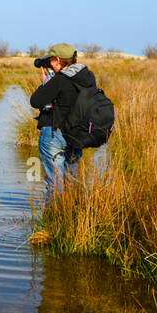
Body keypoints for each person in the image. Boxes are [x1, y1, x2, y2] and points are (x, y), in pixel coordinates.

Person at [29, 42, 96, 200]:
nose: (50, 65)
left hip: (55, 134)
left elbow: (36, 101)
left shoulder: (59, 80)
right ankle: (71, 215)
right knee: (71, 179)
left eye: (51, 61)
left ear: (58, 60)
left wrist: (45, 83)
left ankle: (53, 218)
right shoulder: (88, 77)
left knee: (54, 183)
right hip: (77, 134)